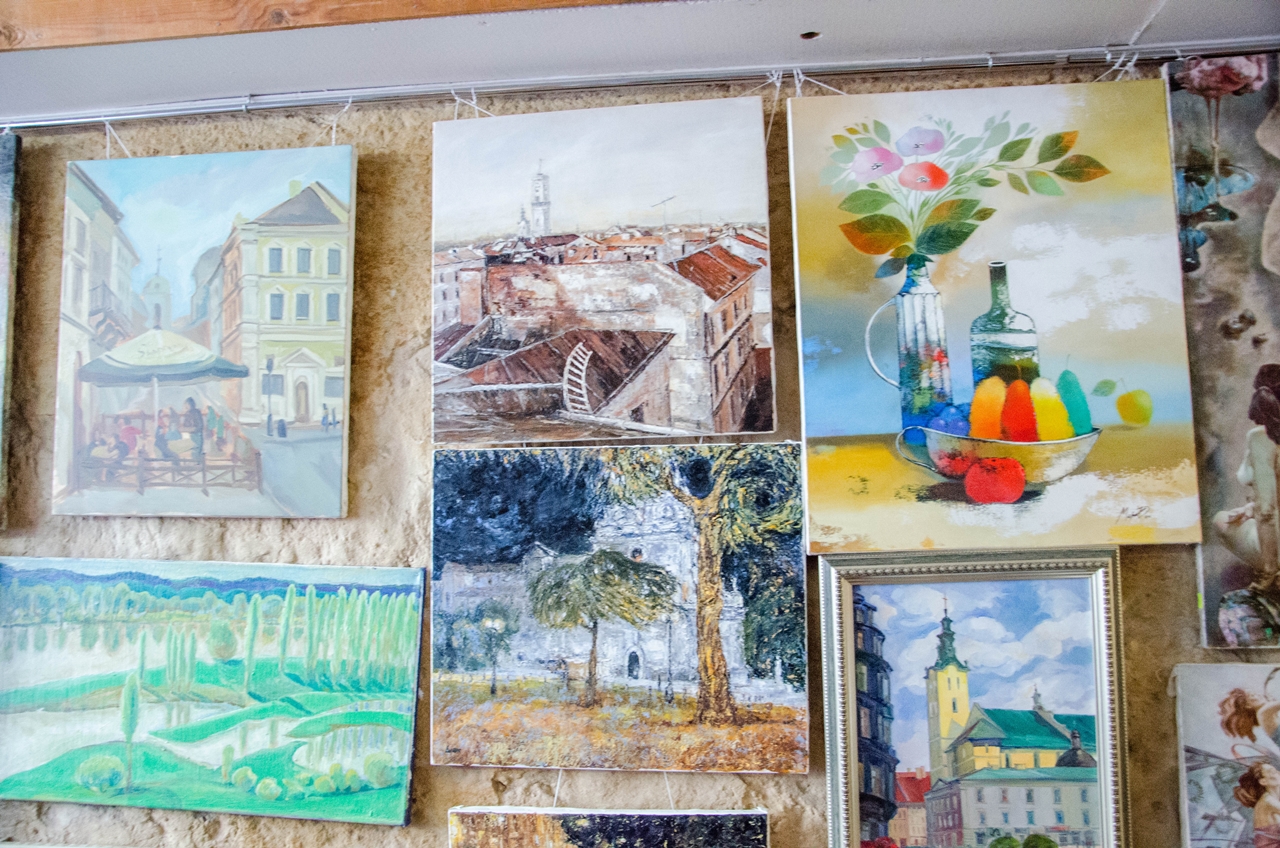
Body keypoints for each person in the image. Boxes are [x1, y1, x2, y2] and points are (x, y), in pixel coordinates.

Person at [1235, 761, 1280, 848]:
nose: (1278, 773)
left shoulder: (1272, 798)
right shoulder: (1268, 801)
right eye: (1272, 772)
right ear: (1263, 781)